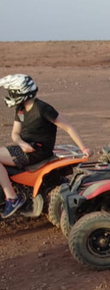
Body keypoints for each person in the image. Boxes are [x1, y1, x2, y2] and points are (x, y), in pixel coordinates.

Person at [0, 74, 92, 218]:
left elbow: (68, 127)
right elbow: (15, 134)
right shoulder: (21, 109)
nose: (10, 95)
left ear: (20, 92)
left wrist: (83, 148)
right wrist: (21, 143)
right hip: (25, 148)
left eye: (11, 92)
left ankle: (12, 198)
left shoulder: (43, 108)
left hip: (38, 151)